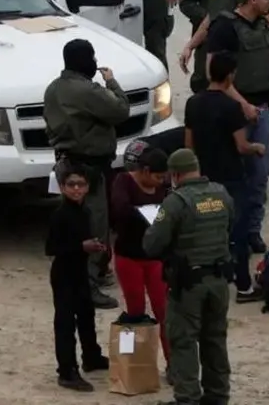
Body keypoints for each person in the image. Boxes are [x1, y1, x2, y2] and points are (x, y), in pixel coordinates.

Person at [198, 0, 269, 254]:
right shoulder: (224, 28)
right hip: (233, 113)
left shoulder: (262, 25)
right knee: (231, 178)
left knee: (259, 175)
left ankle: (252, 231)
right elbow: (213, 73)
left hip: (261, 109)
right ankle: (226, 235)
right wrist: (242, 104)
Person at [43, 39, 130, 309]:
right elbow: (120, 110)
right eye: (92, 58)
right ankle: (89, 285)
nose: (95, 63)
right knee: (95, 226)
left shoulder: (54, 89)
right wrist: (112, 82)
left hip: (66, 164)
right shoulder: (87, 90)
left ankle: (91, 275)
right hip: (89, 166)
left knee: (73, 223)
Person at [142, 149, 234, 405]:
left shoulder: (177, 201)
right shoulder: (221, 194)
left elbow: (152, 244)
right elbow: (230, 227)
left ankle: (188, 398)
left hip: (188, 283)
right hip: (218, 279)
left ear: (175, 174)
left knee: (183, 341)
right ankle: (217, 395)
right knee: (215, 339)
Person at [184, 52, 267, 303]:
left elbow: (188, 145)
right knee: (238, 232)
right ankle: (244, 286)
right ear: (231, 76)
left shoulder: (193, 103)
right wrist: (257, 148)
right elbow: (241, 146)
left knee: (207, 231)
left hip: (204, 176)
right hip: (230, 178)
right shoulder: (232, 107)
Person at [46, 160, 110, 392]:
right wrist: (81, 247)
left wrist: (96, 247)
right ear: (62, 187)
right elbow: (51, 249)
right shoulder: (60, 215)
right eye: (71, 184)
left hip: (80, 271)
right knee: (65, 322)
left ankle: (91, 356)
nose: (76, 189)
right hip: (63, 273)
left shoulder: (85, 211)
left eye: (80, 184)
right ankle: (67, 371)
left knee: (86, 315)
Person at [109, 145, 171, 371]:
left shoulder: (162, 186)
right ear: (144, 171)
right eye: (157, 176)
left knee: (164, 310)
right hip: (129, 256)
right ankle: (136, 365)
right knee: (135, 311)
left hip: (155, 258)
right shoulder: (123, 182)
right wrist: (148, 212)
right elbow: (120, 212)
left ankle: (172, 363)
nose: (160, 181)